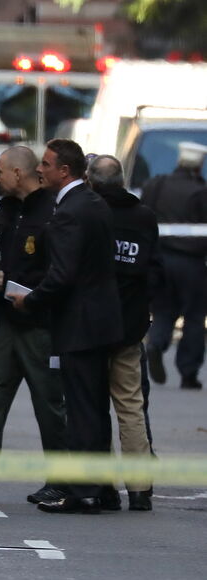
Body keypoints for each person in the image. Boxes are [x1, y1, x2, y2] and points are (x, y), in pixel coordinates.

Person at [8, 138, 123, 514]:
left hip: (80, 324)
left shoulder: (70, 211)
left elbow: (62, 275)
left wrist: (30, 300)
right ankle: (101, 487)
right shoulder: (93, 202)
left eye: (45, 164)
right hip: (100, 321)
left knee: (81, 409)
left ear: (64, 170)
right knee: (94, 406)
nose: (39, 170)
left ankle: (83, 491)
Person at [0, 146, 68, 505]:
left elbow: (60, 268)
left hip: (39, 324)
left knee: (50, 405)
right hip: (4, 322)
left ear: (17, 172)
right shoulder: (6, 211)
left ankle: (60, 481)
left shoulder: (52, 212)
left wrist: (35, 296)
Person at [88, 155, 160, 511]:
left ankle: (103, 486)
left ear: (92, 181)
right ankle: (140, 488)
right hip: (130, 326)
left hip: (91, 326)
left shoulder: (90, 213)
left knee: (93, 406)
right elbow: (153, 270)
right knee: (131, 406)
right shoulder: (144, 216)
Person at [141, 142, 207, 389]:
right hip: (192, 264)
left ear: (179, 162)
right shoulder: (201, 192)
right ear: (199, 166)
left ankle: (156, 344)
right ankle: (188, 373)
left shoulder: (157, 185)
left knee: (163, 310)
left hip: (160, 259)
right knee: (194, 316)